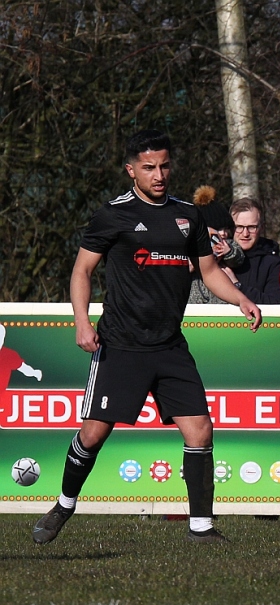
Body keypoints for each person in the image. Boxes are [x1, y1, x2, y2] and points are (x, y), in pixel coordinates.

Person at [31, 129, 262, 545]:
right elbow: (82, 271)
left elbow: (209, 271)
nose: (159, 175)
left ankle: (201, 528)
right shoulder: (112, 215)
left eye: (165, 166)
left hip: (170, 345)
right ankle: (64, 504)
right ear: (131, 170)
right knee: (93, 435)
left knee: (200, 431)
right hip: (121, 345)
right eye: (149, 167)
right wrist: (82, 321)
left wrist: (240, 299)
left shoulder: (188, 215)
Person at [188, 185, 244, 305]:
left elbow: (239, 258)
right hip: (194, 299)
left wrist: (229, 252)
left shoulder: (227, 243)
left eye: (226, 228)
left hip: (220, 298)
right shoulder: (191, 245)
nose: (223, 233)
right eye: (218, 229)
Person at [224, 197, 280, 304]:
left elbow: (276, 305)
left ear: (261, 228)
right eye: (239, 227)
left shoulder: (274, 264)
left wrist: (238, 286)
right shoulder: (216, 257)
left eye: (252, 227)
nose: (245, 233)